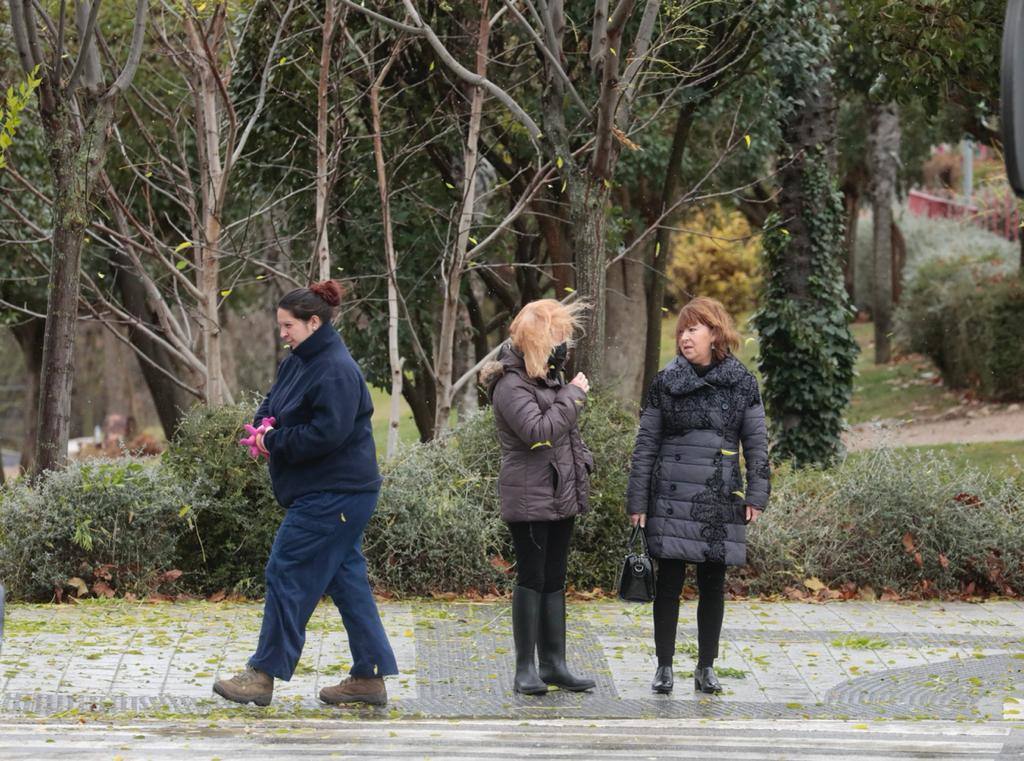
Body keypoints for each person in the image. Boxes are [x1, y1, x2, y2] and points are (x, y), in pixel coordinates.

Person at [213, 280, 398, 707]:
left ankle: (262, 675)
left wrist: (273, 442)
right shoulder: (299, 359)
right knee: (347, 581)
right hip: (328, 493)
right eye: (280, 325)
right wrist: (260, 430)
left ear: (314, 322)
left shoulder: (336, 368)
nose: (282, 333)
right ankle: (369, 677)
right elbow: (273, 404)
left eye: (288, 325)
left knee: (286, 569)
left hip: (337, 494)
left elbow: (325, 436)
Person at [626, 297, 770, 695]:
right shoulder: (665, 382)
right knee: (668, 582)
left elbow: (756, 442)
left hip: (719, 494)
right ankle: (664, 666)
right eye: (681, 330)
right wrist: (637, 501)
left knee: (712, 583)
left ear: (715, 333)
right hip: (670, 493)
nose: (685, 336)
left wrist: (757, 493)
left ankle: (707, 666)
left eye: (693, 329)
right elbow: (646, 444)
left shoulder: (742, 382)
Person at [480, 299, 596, 696]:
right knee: (532, 577)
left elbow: (565, 437)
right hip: (529, 497)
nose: (563, 345)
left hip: (558, 492)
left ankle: (554, 663)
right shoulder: (511, 385)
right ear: (536, 342)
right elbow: (539, 431)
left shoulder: (546, 378)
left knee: (555, 578)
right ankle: (525, 668)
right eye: (557, 337)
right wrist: (574, 397)